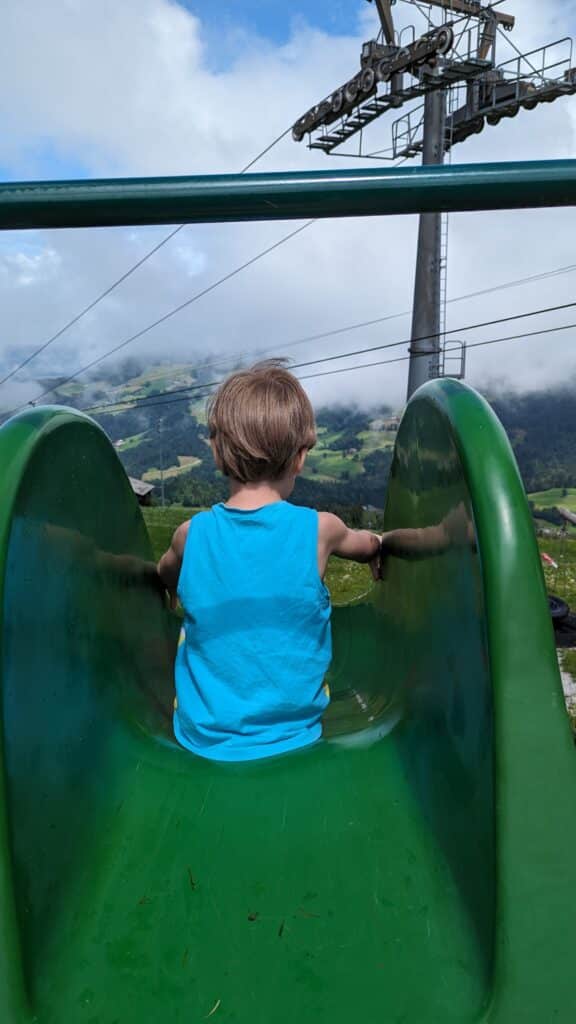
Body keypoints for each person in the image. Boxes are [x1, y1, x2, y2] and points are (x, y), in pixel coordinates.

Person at [157, 362, 471, 762]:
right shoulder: (320, 530)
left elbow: (165, 571)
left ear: (217, 453)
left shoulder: (190, 535)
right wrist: (388, 547)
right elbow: (368, 544)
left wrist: (167, 587)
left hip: (201, 733)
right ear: (300, 457)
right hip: (295, 731)